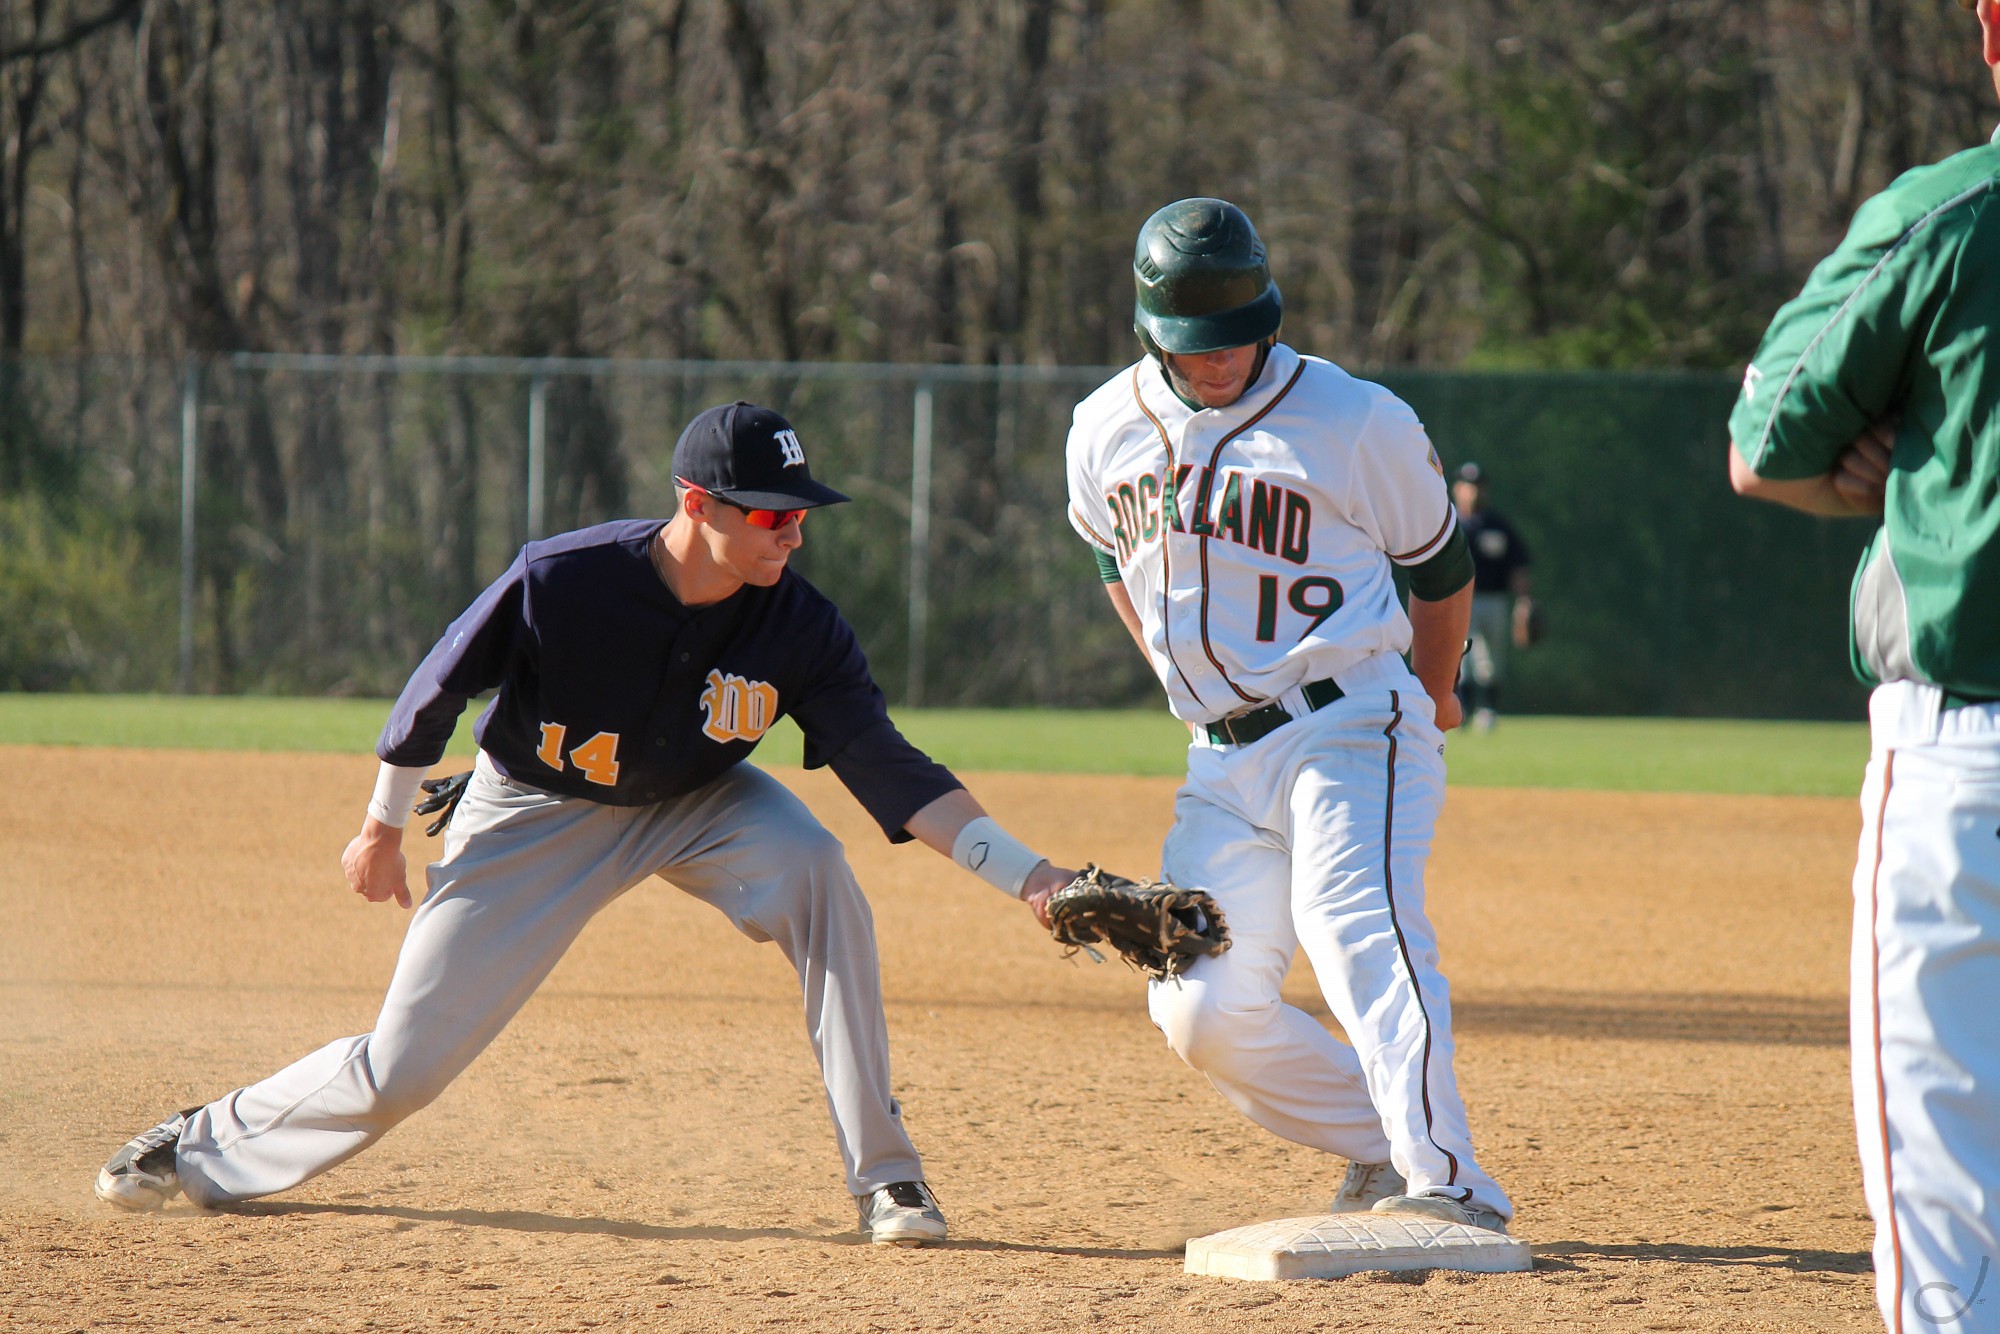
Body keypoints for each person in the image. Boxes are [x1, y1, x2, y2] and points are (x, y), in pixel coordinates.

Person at [94, 400, 1078, 1247]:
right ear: (698, 504)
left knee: (816, 863)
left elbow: (891, 769)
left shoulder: (799, 626)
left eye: (801, 513)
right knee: (404, 1067)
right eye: (774, 513)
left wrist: (1037, 880)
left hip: (699, 804)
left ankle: (886, 1175)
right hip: (533, 813)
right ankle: (200, 1140)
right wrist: (381, 824)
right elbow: (436, 689)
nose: (795, 532)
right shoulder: (565, 579)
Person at [1062, 197, 1513, 1232]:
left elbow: (1437, 568)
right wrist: (1169, 668)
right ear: (1148, 330)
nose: (1219, 359)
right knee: (1197, 1005)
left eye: (1237, 333)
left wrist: (1435, 694)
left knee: (1357, 930)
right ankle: (1378, 1141)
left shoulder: (1355, 418)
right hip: (1215, 763)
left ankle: (1448, 1182)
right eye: (1193, 342)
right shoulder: (1100, 426)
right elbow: (1105, 551)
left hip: (1347, 719)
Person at [1728, 4, 2000, 1326]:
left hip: (1972, 755)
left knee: (1941, 1161)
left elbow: (1768, 443)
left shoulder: (1952, 214)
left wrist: (1917, 464)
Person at [1450, 463, 1534, 733]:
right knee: (1460, 655)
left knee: (1490, 659)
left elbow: (1518, 566)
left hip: (1494, 599)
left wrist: (1525, 601)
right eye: (1467, 485)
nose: (1473, 491)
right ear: (1457, 488)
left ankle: (1487, 712)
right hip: (1457, 599)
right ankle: (1460, 711)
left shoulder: (1498, 525)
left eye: (1478, 485)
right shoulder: (1448, 522)